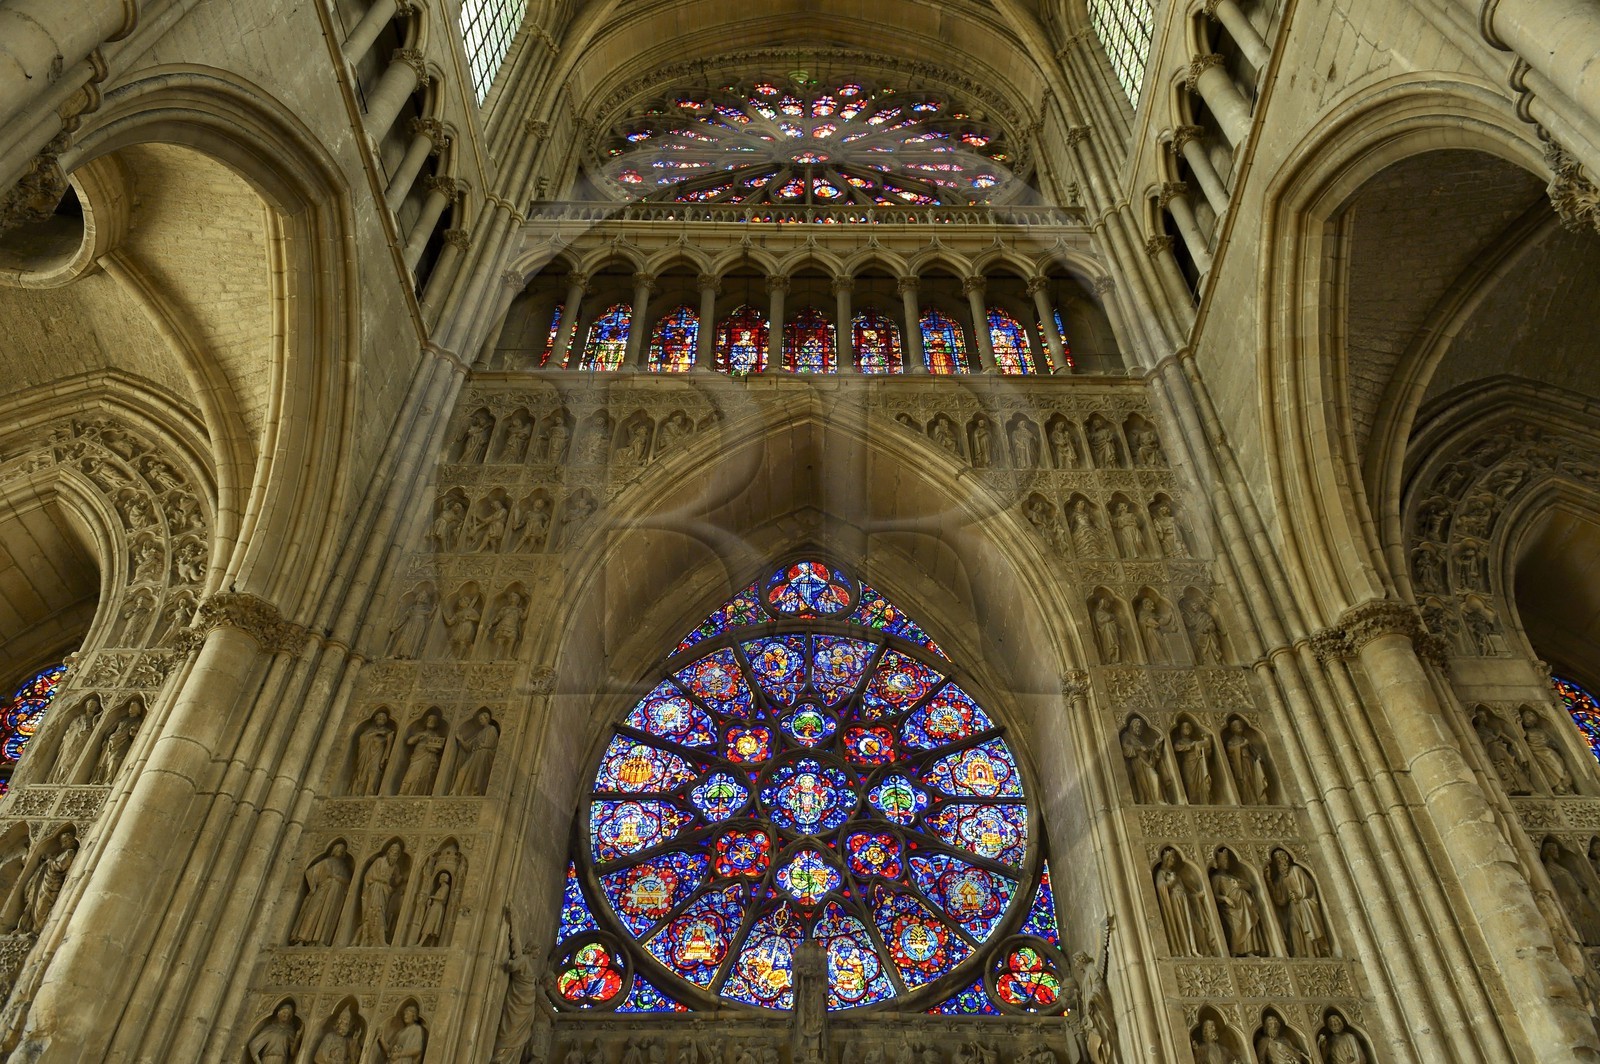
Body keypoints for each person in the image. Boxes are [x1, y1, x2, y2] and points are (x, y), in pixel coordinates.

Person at [1267, 848, 1330, 957]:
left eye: (1281, 861)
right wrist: (1268, 880)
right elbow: (1280, 900)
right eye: (1278, 862)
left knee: (1307, 928)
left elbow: (1309, 887)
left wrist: (1299, 894)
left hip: (1304, 904)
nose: (1281, 864)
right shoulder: (1280, 879)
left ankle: (1312, 954)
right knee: (1294, 928)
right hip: (1293, 907)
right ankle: (1298, 954)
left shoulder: (1296, 870)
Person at [290, 841, 352, 946]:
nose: (341, 852)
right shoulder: (327, 862)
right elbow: (311, 872)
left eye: (342, 851)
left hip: (336, 895)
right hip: (323, 890)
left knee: (328, 916)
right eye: (339, 850)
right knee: (313, 912)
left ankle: (320, 940)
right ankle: (302, 939)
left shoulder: (345, 867)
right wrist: (314, 886)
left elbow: (349, 881)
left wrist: (338, 879)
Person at [1210, 850, 1267, 957]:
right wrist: (1226, 899)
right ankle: (1234, 952)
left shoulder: (1232, 877)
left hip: (1244, 904)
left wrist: (1241, 885)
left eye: (1227, 860)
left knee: (1249, 925)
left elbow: (1249, 886)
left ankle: (1249, 951)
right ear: (1218, 862)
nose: (1227, 862)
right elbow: (1214, 895)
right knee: (1236, 928)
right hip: (1232, 907)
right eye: (1224, 860)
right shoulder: (1216, 878)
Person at [356, 841, 405, 946]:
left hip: (385, 891)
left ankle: (377, 939)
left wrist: (401, 879)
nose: (394, 855)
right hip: (375, 889)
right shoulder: (379, 861)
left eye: (397, 853)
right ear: (389, 852)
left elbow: (396, 880)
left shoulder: (395, 867)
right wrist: (381, 879)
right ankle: (368, 938)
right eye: (393, 852)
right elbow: (368, 876)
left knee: (381, 912)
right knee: (373, 911)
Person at [451, 709, 500, 796]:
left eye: (482, 719)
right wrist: (461, 740)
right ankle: (458, 792)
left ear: (487, 719)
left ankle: (475, 791)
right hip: (475, 756)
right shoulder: (480, 733)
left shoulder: (492, 729)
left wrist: (480, 745)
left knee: (478, 775)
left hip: (483, 755)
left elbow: (490, 744)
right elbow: (469, 748)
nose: (480, 721)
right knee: (462, 772)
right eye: (479, 719)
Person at [352, 710, 395, 796]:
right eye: (379, 717)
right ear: (375, 719)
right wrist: (376, 733)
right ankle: (357, 791)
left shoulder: (388, 732)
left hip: (378, 754)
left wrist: (388, 738)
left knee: (374, 771)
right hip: (366, 754)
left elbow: (389, 745)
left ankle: (369, 792)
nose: (380, 719)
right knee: (361, 772)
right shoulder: (369, 730)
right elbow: (362, 739)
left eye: (383, 718)